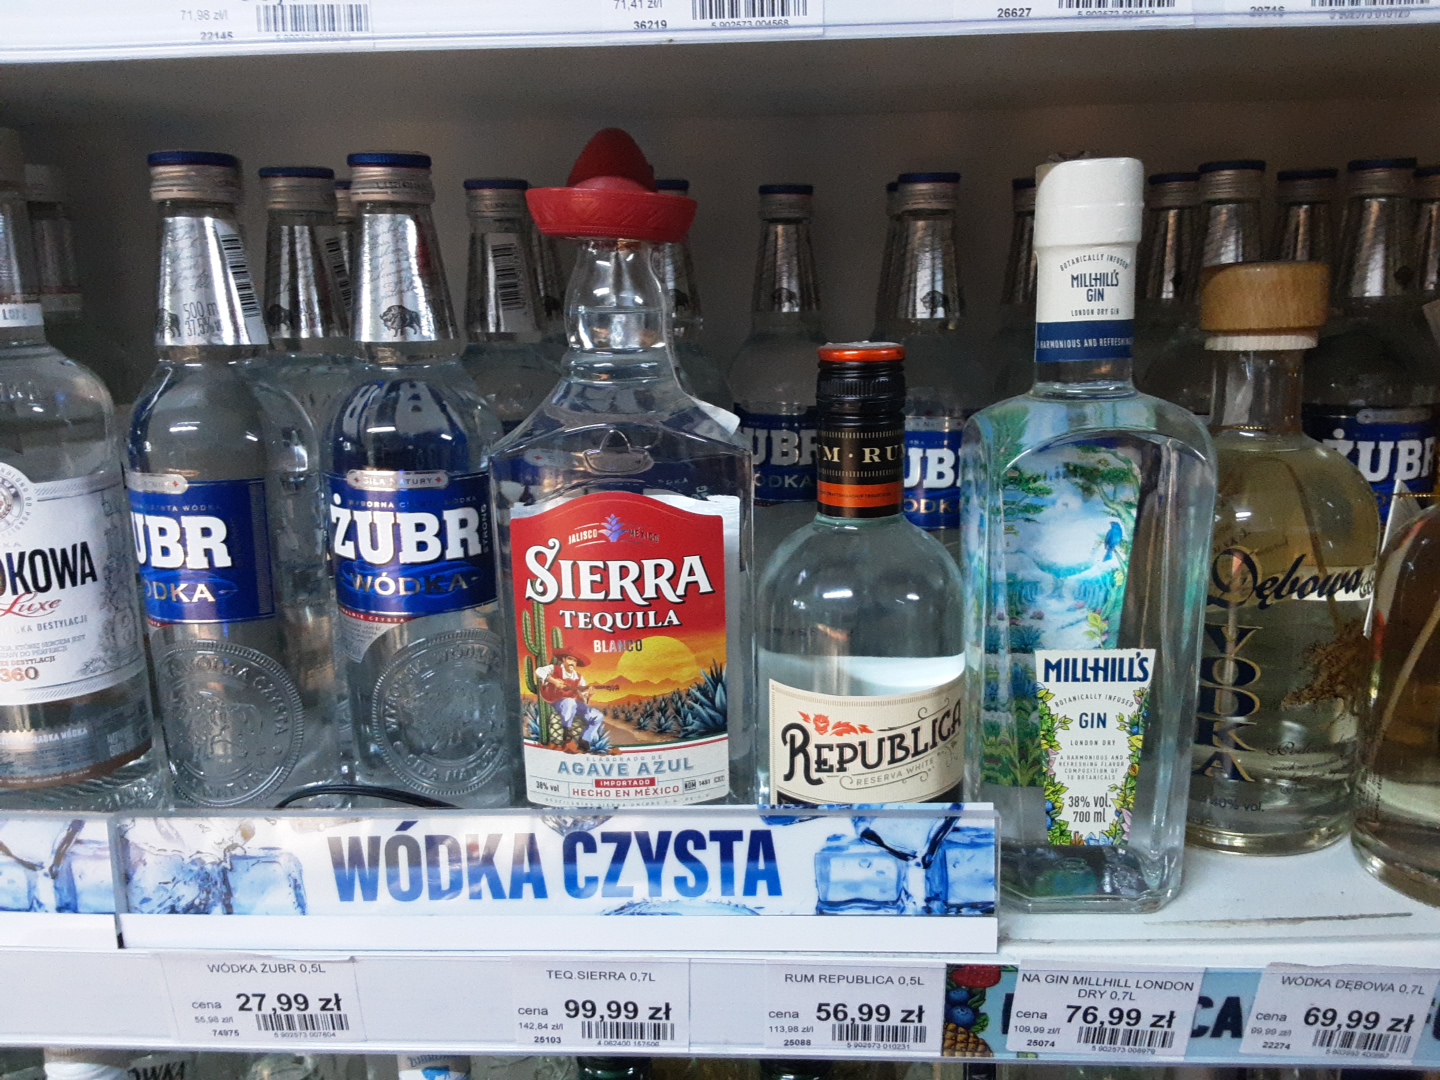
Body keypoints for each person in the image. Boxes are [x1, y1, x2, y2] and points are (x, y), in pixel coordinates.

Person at [535, 650, 607, 749]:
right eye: (570, 659)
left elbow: (583, 697)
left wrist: (588, 696)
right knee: (569, 702)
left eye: (574, 661)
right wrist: (554, 681)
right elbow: (539, 671)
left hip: (574, 705)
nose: (572, 663)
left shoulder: (579, 678)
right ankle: (567, 730)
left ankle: (585, 739)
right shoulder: (554, 669)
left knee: (598, 716)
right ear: (564, 659)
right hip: (558, 703)